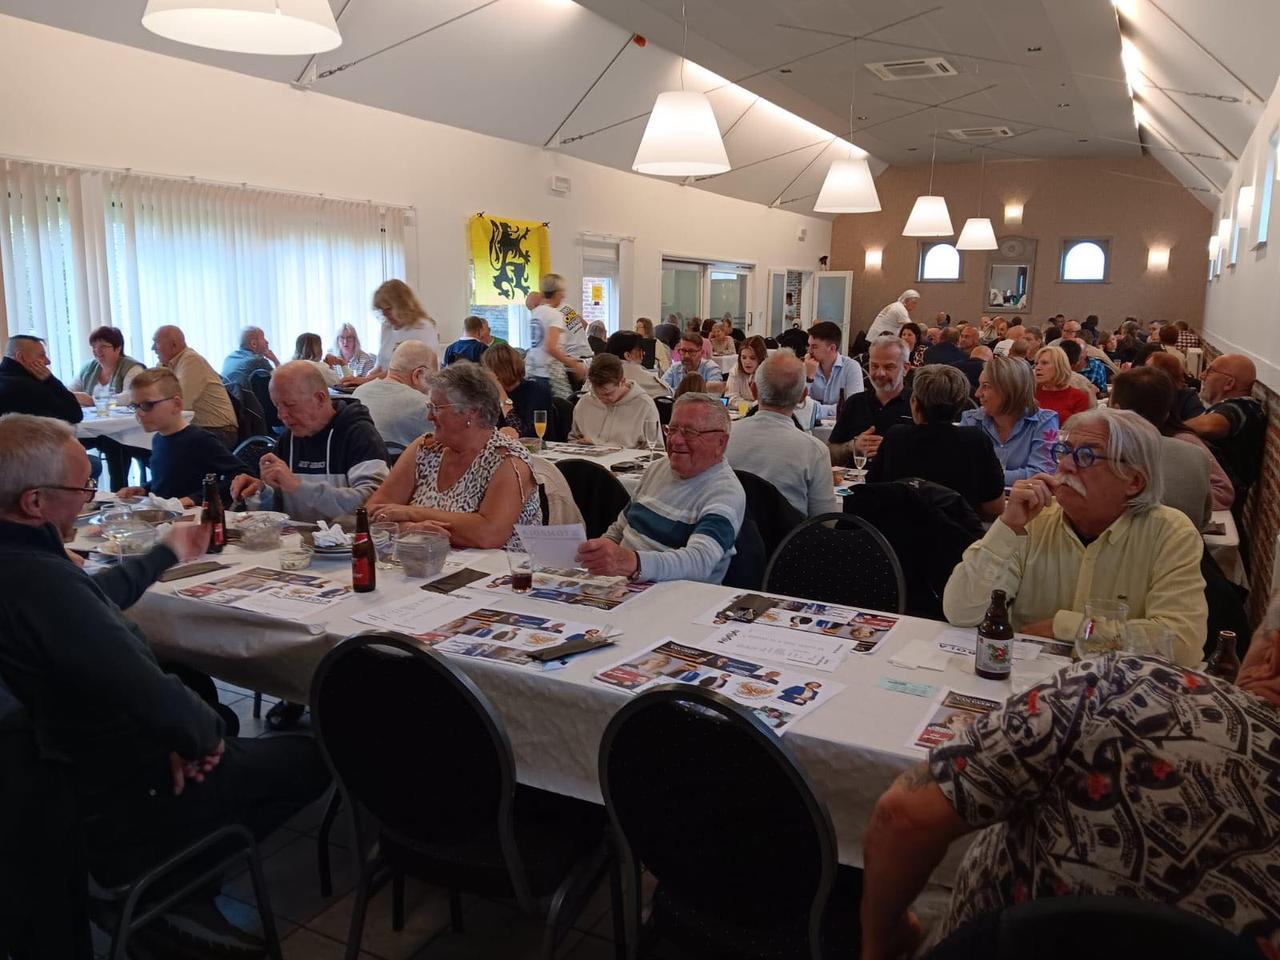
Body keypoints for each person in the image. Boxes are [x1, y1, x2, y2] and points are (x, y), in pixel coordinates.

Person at [0, 413, 329, 954]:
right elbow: (146, 692)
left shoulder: (27, 565)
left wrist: (164, 555)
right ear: (35, 502)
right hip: (110, 787)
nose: (88, 497)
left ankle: (168, 869)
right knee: (311, 758)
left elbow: (92, 606)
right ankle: (168, 886)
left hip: (65, 776)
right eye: (81, 487)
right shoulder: (40, 581)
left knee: (205, 713)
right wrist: (197, 741)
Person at [861, 596, 1280, 960]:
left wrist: (882, 942)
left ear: (1272, 654)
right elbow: (961, 605)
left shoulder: (1120, 684)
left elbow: (904, 817)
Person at [944, 407, 1206, 665]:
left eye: (1087, 456)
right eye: (1065, 452)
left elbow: (1183, 643)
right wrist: (1007, 527)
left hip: (1116, 695)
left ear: (1134, 481)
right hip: (1023, 685)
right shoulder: (1033, 521)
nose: (1066, 465)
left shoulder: (1169, 533)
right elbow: (960, 612)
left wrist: (1065, 626)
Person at [365, 363, 541, 547]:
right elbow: (372, 511)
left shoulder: (508, 459)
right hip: (425, 564)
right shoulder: (425, 449)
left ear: (471, 412)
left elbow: (489, 534)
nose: (429, 417)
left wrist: (412, 513)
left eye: (437, 408)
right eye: (429, 406)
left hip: (503, 571)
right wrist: (409, 528)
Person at [575, 393, 745, 583]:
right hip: (623, 584)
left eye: (689, 432)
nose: (676, 440)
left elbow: (700, 562)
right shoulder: (658, 467)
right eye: (672, 430)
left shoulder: (725, 492)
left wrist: (633, 563)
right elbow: (620, 528)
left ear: (721, 442)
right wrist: (600, 550)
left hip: (676, 598)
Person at [229, 361, 387, 520]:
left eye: (290, 405)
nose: (281, 415)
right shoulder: (288, 438)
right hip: (297, 541)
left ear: (320, 398)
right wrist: (261, 492)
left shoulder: (359, 434)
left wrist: (299, 487)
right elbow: (279, 509)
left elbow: (373, 504)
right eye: (277, 406)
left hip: (350, 541)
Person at [868, 365, 1005, 520]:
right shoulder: (975, 440)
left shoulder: (896, 437)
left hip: (897, 537)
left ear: (914, 402)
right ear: (960, 404)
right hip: (959, 538)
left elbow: (874, 491)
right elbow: (995, 507)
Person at [725, 352, 837, 518]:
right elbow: (825, 521)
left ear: (754, 390)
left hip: (729, 539)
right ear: (803, 396)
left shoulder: (723, 438)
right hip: (788, 541)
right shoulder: (814, 451)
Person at [116, 368, 247, 506]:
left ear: (176, 404)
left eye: (147, 405)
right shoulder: (158, 439)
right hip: (165, 517)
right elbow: (168, 481)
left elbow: (241, 474)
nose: (139, 413)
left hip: (193, 519)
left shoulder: (199, 439)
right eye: (135, 406)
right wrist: (144, 489)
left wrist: (195, 498)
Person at [1108, 367, 1213, 528]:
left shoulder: (1105, 456)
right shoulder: (1198, 455)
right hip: (1187, 548)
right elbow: (1204, 520)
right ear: (1167, 415)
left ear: (1116, 410)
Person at [959, 354, 1059, 485]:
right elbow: (961, 470)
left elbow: (1041, 474)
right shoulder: (971, 419)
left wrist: (984, 476)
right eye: (979, 385)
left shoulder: (1044, 422)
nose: (977, 394)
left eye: (986, 386)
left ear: (1010, 389)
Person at [1184, 354, 1266, 498]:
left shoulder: (1240, 408)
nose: (1202, 376)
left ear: (1229, 383)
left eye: (1210, 371)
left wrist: (1169, 428)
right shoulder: (1244, 407)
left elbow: (1210, 426)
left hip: (1220, 502)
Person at [827, 338, 913, 466]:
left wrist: (893, 448)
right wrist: (852, 446)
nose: (880, 373)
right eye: (874, 366)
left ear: (905, 368)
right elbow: (829, 453)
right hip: (855, 483)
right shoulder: (855, 403)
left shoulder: (917, 404)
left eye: (889, 367)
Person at [151, 325, 238, 449]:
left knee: (163, 445)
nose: (153, 348)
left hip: (219, 432)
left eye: (156, 342)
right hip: (200, 428)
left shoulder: (191, 361)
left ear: (174, 345)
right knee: (158, 443)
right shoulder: (170, 364)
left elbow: (181, 404)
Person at [347, 279, 440, 387]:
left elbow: (403, 372)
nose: (385, 314)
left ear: (403, 305)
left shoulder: (422, 328)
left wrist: (366, 381)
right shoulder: (386, 327)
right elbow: (380, 366)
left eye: (388, 309)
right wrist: (362, 379)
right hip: (387, 388)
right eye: (382, 310)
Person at [352, 340, 438, 447]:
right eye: (432, 380)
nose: (433, 387)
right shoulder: (423, 405)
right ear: (418, 374)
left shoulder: (358, 393)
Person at [569, 353, 660, 448]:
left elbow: (656, 450)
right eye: (596, 393)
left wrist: (599, 445)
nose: (602, 398)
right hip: (587, 460)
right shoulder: (585, 402)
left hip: (627, 461)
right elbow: (573, 438)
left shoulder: (644, 405)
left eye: (608, 394)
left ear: (622, 382)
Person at [526, 273, 589, 400]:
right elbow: (551, 347)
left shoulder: (536, 312)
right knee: (564, 410)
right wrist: (574, 364)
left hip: (537, 370)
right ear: (557, 293)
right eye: (562, 292)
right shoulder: (555, 314)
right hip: (552, 372)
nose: (563, 296)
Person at [0, 335, 83, 424]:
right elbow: (75, 414)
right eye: (42, 355)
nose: (48, 361)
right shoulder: (29, 387)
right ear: (21, 357)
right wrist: (51, 380)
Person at [481, 344, 553, 439]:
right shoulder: (489, 395)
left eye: (487, 370)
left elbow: (522, 434)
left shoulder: (537, 393)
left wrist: (502, 395)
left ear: (499, 372)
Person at [70, 325, 144, 406]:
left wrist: (93, 401)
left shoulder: (133, 368)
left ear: (118, 348)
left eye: (103, 346)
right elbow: (70, 391)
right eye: (94, 347)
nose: (97, 351)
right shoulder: (88, 368)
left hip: (125, 418)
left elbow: (130, 396)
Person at [805, 321, 864, 420]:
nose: (809, 351)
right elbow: (797, 405)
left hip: (842, 428)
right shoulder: (807, 366)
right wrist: (809, 377)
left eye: (814, 347)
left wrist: (815, 410)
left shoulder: (851, 367)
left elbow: (854, 408)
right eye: (809, 345)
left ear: (832, 348)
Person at [1032, 345, 1090, 426]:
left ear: (1059, 366)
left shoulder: (1079, 398)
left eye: (1044, 363)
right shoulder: (1030, 394)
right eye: (1036, 364)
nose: (1037, 368)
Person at [605, 330, 670, 400]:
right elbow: (666, 392)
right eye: (640, 350)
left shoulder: (603, 373)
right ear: (628, 355)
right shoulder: (635, 372)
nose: (643, 353)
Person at [1147, 350, 1203, 422]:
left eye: (1148, 370)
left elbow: (1199, 422)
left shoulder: (1187, 397)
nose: (1143, 373)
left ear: (1164, 374)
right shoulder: (1145, 392)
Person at [220, 326, 278, 391]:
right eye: (263, 338)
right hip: (250, 400)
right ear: (254, 344)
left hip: (233, 400)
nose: (267, 342)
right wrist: (275, 360)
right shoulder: (258, 361)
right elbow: (279, 382)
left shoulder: (229, 358)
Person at [1054, 339, 1099, 408]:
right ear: (1077, 361)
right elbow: (1092, 411)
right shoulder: (1082, 382)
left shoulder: (1081, 381)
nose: (1038, 367)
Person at [724, 336, 767, 406]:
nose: (747, 362)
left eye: (752, 358)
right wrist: (750, 405)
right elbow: (730, 398)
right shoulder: (735, 370)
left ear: (760, 358)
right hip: (742, 411)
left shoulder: (768, 372)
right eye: (744, 357)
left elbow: (769, 401)